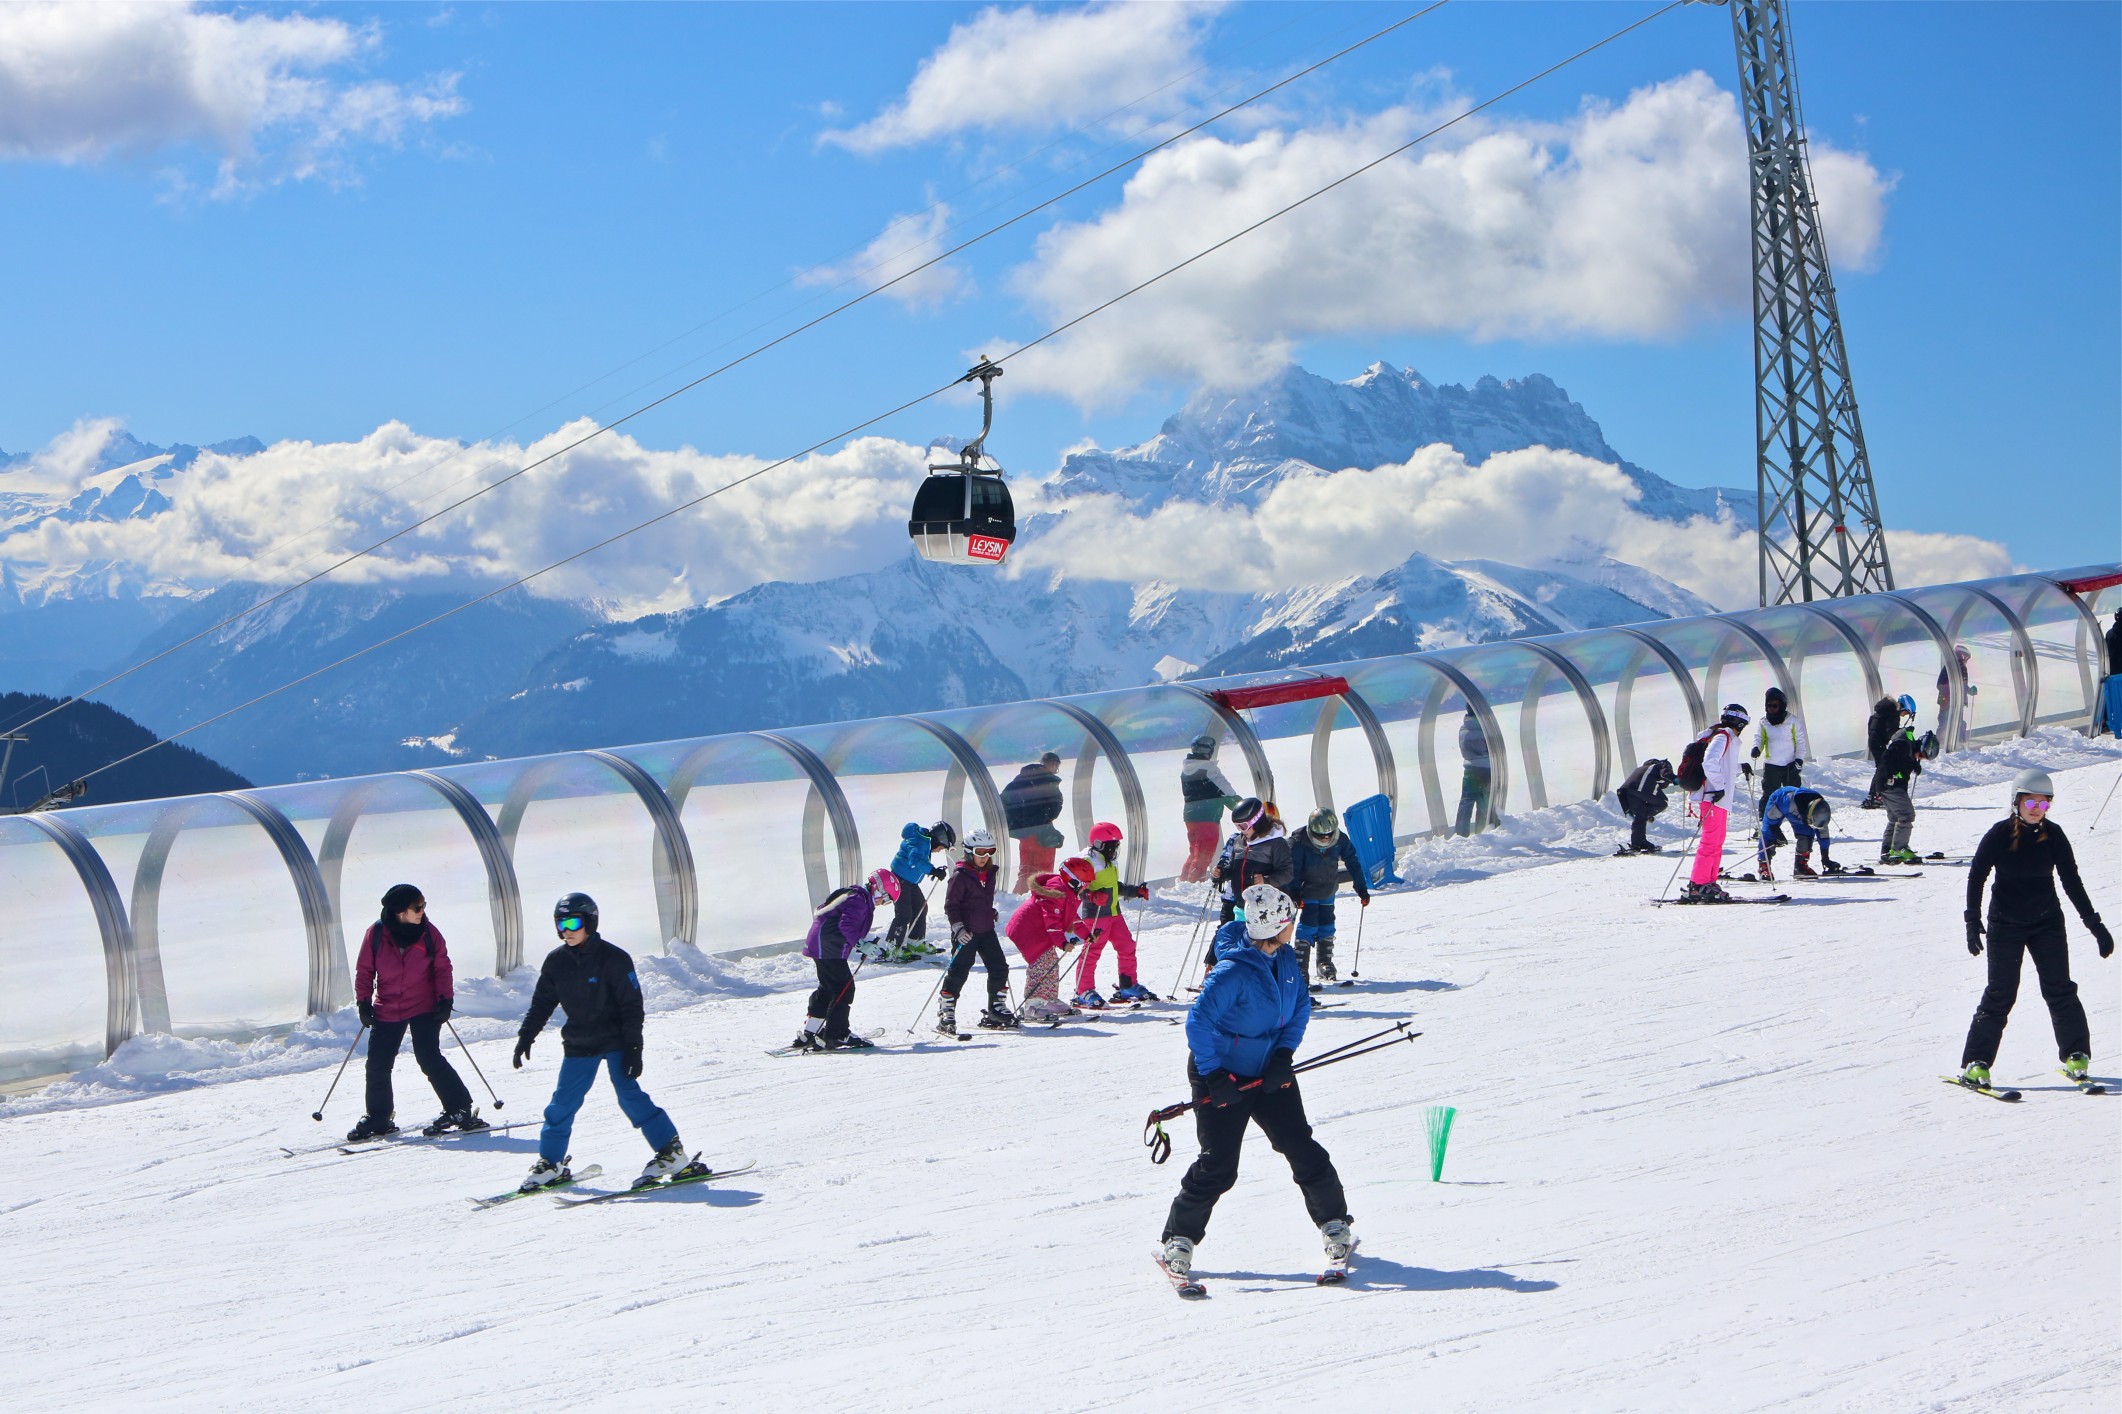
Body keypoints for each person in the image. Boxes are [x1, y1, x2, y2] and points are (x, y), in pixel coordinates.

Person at [1157, 883, 1353, 1287]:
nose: (1293, 927)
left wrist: (1283, 1056)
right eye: (1290, 921)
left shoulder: (1286, 961)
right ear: (1276, 926)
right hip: (1223, 1075)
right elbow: (1198, 1023)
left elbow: (1299, 1009)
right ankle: (1178, 1238)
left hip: (1269, 1071)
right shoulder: (1234, 970)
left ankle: (1335, 1224)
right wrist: (1214, 1075)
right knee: (1219, 1164)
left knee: (1301, 1146)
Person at [512, 892, 705, 1192]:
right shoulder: (556, 962)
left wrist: (634, 1047)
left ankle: (672, 1153)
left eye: (573, 922)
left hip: (615, 1040)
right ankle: (550, 1163)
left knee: (629, 1094)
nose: (567, 930)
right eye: (560, 924)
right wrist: (526, 1035)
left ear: (590, 922)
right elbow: (541, 1003)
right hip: (579, 1042)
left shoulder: (614, 959)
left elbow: (632, 1006)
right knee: (561, 1103)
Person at [1956, 769, 2112, 1090]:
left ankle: (2076, 1055)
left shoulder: (2054, 836)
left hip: (2047, 923)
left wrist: (2095, 925)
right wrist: (1973, 920)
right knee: (2000, 994)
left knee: (2060, 989)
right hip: (2005, 925)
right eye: (2031, 802)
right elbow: (1977, 876)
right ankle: (1976, 1062)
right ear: (2017, 801)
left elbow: (2072, 882)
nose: (2036, 809)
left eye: (2044, 804)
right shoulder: (1998, 835)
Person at [347, 883, 484, 1141]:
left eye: (423, 906)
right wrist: (363, 1003)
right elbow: (365, 970)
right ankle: (379, 1117)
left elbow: (442, 968)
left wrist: (445, 1000)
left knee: (429, 1056)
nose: (422, 911)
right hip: (388, 1006)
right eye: (417, 907)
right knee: (377, 1063)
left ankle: (459, 1109)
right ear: (400, 911)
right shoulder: (376, 934)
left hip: (424, 1005)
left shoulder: (429, 934)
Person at [791, 869, 894, 1052]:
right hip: (828, 947)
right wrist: (861, 944)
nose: (881, 903)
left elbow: (846, 923)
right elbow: (845, 925)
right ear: (878, 890)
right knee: (844, 988)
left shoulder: (854, 895)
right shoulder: (860, 901)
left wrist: (866, 941)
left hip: (821, 945)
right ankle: (837, 1034)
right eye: (884, 898)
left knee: (827, 988)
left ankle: (810, 1031)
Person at [939, 828, 1016, 1033]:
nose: (985, 857)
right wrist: (958, 928)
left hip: (986, 930)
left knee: (999, 967)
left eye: (990, 851)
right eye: (980, 852)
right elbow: (952, 906)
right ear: (969, 851)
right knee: (959, 971)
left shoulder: (990, 873)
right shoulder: (960, 876)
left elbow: (981, 900)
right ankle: (946, 1011)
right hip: (966, 933)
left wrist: (989, 912)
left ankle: (996, 1008)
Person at [1074, 821, 1154, 1007]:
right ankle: (1083, 990)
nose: (1114, 850)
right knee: (1092, 951)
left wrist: (1135, 891)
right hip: (1095, 915)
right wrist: (1092, 896)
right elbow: (1075, 890)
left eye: (1116, 846)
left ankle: (1128, 984)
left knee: (1126, 945)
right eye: (1111, 846)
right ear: (1100, 844)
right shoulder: (1086, 861)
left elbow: (1114, 886)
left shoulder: (1109, 861)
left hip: (1113, 911)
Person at [1287, 807, 1370, 987]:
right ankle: (1300, 967)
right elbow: (1293, 870)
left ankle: (1324, 962)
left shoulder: (1340, 839)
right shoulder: (1299, 842)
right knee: (1308, 925)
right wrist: (1294, 893)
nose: (1325, 839)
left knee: (1327, 923)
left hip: (1328, 889)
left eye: (1328, 835)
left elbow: (1353, 862)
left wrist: (1361, 888)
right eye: (1320, 836)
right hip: (1307, 891)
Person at [1006, 857, 1092, 1023]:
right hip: (1027, 930)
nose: (1086, 888)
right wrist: (1063, 943)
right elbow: (1052, 923)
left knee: (1050, 961)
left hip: (1039, 930)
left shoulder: (1066, 892)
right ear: (1074, 881)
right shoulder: (1055, 892)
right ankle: (1032, 1005)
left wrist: (1087, 935)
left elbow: (1071, 917)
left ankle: (1048, 1000)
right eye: (1084, 884)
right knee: (1041, 963)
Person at [1678, 703, 1748, 904]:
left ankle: (1708, 881)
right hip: (1713, 797)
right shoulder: (1722, 737)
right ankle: (1698, 884)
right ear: (1740, 723)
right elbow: (1709, 762)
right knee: (1710, 840)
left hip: (1718, 798)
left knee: (1717, 840)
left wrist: (1739, 767)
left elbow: (1722, 765)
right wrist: (1718, 787)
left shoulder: (1724, 737)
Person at [1212, 797, 1294, 928]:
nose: (1241, 830)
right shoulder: (1239, 841)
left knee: (1262, 946)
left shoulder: (1276, 843)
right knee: (1242, 945)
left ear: (1256, 821)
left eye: (1243, 826)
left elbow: (1287, 873)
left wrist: (1266, 880)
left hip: (1267, 909)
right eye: (1237, 826)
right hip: (1241, 907)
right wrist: (1222, 873)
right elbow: (1235, 871)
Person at [883, 820, 955, 952]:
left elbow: (918, 863)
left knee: (921, 907)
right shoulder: (919, 842)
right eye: (942, 847)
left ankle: (915, 942)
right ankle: (892, 948)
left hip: (910, 882)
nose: (940, 851)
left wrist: (933, 871)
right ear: (939, 839)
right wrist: (933, 870)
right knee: (904, 914)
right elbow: (914, 860)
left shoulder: (925, 842)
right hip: (899, 881)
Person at [1001, 752, 1065, 892]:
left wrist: (1019, 822)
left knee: (1025, 870)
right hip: (1041, 833)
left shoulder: (1021, 779)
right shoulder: (1049, 782)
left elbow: (1003, 800)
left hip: (1023, 834)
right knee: (1043, 873)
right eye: (1054, 764)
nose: (1054, 767)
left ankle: (1018, 900)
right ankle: (1040, 901)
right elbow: (1055, 808)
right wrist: (1043, 818)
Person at [1179, 736, 1240, 882]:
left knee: (1195, 851)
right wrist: (1242, 806)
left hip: (1190, 816)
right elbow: (1226, 790)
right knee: (1204, 852)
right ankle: (1194, 881)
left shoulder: (1187, 769)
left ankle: (1184, 881)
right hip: (1207, 816)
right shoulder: (1208, 769)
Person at [1746, 687, 1809, 816]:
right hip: (1772, 765)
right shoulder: (1764, 722)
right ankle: (1765, 822)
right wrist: (1756, 748)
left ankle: (1800, 821)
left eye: (1775, 705)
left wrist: (1799, 759)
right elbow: (1759, 738)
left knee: (1793, 794)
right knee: (1769, 794)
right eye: (1768, 705)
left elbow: (1800, 741)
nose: (1771, 708)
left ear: (1782, 705)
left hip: (1790, 765)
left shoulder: (1792, 721)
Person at [1877, 695, 1924, 865]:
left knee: (1895, 818)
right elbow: (1888, 757)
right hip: (1890, 785)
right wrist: (1890, 776)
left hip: (1885, 784)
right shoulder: (1904, 744)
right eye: (1923, 755)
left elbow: (1896, 759)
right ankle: (1899, 849)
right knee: (1906, 815)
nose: (1922, 758)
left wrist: (1913, 764)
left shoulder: (1906, 746)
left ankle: (1887, 850)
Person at [1755, 786, 1837, 881]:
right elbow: (1770, 821)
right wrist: (1776, 831)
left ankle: (1800, 866)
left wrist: (1825, 858)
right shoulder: (1786, 802)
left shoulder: (1820, 811)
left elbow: (1823, 834)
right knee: (1768, 834)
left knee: (1807, 835)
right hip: (1779, 801)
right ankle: (1764, 867)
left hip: (1800, 812)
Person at [1614, 758, 1675, 855]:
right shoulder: (1661, 765)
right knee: (1662, 803)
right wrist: (1674, 778)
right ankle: (1646, 818)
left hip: (1627, 791)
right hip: (1641, 787)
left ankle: (1638, 842)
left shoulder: (1641, 769)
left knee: (1640, 815)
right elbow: (1665, 772)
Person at [1453, 707, 1491, 836]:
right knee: (1484, 801)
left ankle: (1460, 833)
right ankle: (1482, 831)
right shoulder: (1483, 728)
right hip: (1485, 769)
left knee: (1467, 801)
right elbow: (1487, 749)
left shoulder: (1463, 728)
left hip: (1469, 769)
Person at [1860, 695, 1900, 808]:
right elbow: (1891, 731)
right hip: (1879, 743)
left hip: (1873, 742)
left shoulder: (1879, 713)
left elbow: (1871, 725)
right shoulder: (1892, 714)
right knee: (1883, 767)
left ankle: (1876, 795)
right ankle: (1875, 795)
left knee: (1882, 766)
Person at [1935, 644, 1976, 734]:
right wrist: (1953, 695)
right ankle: (1958, 743)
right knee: (1955, 723)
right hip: (1953, 701)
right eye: (1966, 657)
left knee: (1945, 722)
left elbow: (1940, 684)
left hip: (1946, 700)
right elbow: (1961, 686)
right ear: (1962, 655)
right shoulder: (1960, 667)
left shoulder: (1949, 666)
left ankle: (1942, 743)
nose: (1966, 660)